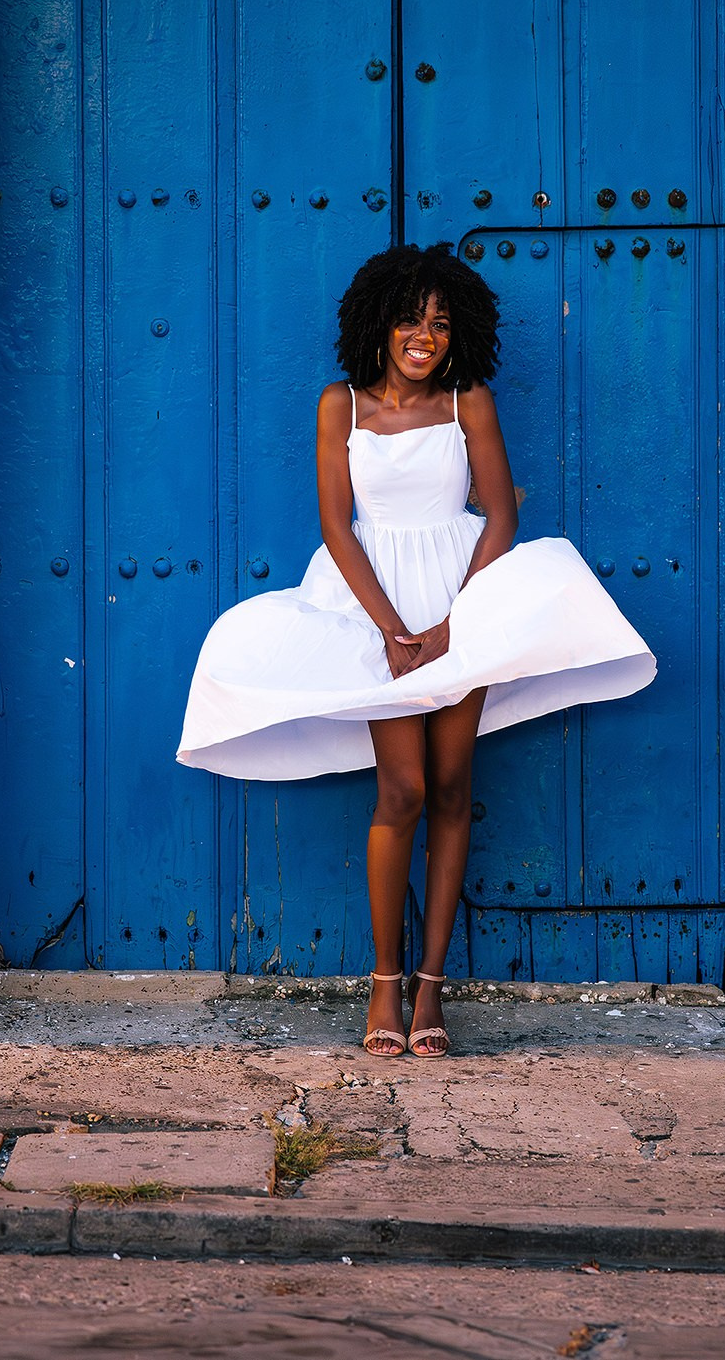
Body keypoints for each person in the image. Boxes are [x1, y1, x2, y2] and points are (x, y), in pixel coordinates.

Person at [178, 243, 654, 1057]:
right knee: (401, 789)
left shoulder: (470, 403)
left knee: (453, 787)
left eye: (439, 322)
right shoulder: (342, 406)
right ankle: (385, 981)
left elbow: (501, 517)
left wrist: (452, 627)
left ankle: (432, 987)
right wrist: (392, 632)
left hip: (461, 598)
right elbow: (337, 526)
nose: (423, 336)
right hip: (373, 606)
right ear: (379, 323)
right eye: (408, 319)